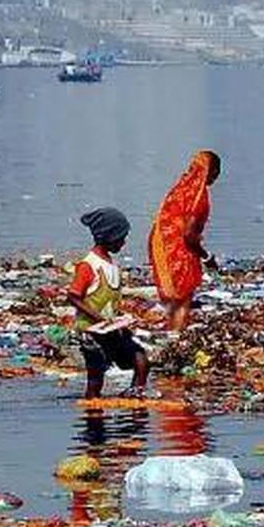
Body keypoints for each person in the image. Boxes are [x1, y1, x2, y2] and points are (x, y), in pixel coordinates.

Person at [67, 206, 149, 399]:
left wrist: (120, 322)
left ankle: (134, 397)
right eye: (120, 238)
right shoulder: (89, 265)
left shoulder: (111, 265)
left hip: (109, 330)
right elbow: (73, 297)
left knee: (141, 359)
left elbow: (111, 304)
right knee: (96, 377)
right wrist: (100, 319)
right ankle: (93, 411)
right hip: (91, 332)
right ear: (108, 236)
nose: (123, 242)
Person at [149, 150, 222, 331]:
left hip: (160, 244)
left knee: (172, 299)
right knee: (183, 299)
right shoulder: (199, 197)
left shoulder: (180, 189)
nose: (216, 177)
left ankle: (170, 332)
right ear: (212, 172)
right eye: (216, 172)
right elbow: (189, 236)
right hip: (178, 250)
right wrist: (206, 257)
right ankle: (175, 336)